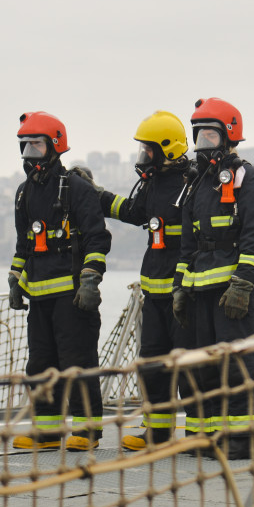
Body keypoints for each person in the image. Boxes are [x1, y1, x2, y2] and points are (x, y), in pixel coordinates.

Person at [172, 98, 254, 461]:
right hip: (202, 292)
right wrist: (181, 289)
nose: (203, 143)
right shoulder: (198, 184)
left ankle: (243, 440)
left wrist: (243, 284)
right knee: (206, 368)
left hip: (234, 293)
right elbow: (188, 245)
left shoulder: (250, 178)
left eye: (210, 134)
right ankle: (213, 438)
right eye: (199, 135)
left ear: (229, 136)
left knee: (239, 367)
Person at [8, 112, 111, 452]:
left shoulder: (78, 190)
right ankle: (48, 432)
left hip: (73, 297)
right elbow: (24, 244)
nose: (29, 153)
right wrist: (15, 280)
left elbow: (98, 239)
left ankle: (87, 431)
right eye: (25, 146)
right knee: (40, 365)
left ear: (55, 145)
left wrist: (90, 281)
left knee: (77, 362)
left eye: (36, 145)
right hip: (38, 298)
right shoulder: (24, 194)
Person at [92, 111, 194, 451]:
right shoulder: (153, 183)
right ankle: (158, 431)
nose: (143, 157)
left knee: (188, 366)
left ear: (166, 149)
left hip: (184, 294)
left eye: (148, 151)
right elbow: (135, 212)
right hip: (154, 291)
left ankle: (197, 431)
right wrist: (98, 195)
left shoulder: (191, 184)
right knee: (151, 363)